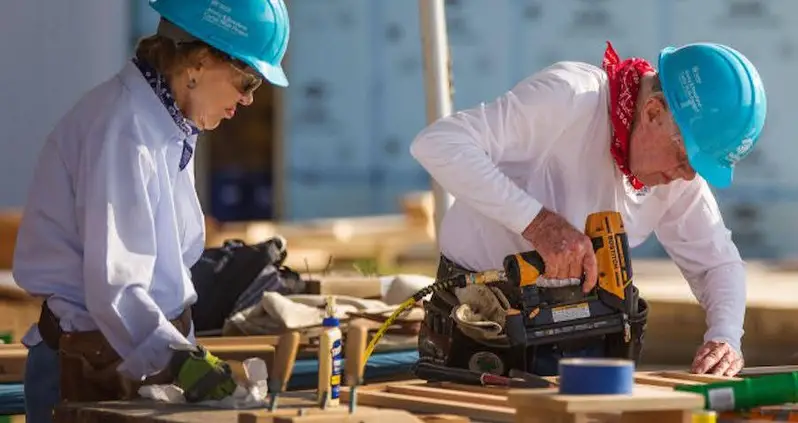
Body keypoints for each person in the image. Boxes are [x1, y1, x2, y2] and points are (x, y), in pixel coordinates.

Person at [410, 41, 766, 378]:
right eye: (686, 159)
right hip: (483, 334)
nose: (687, 176)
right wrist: (537, 223)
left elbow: (716, 263)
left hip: (587, 341)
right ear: (653, 112)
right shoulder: (571, 97)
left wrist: (724, 337)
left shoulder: (675, 173)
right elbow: (439, 144)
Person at [12, 0, 290, 421]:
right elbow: (116, 287)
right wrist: (179, 360)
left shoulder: (164, 123)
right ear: (198, 62)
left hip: (128, 360)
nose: (248, 100)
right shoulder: (123, 130)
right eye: (247, 80)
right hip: (92, 369)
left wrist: (179, 353)